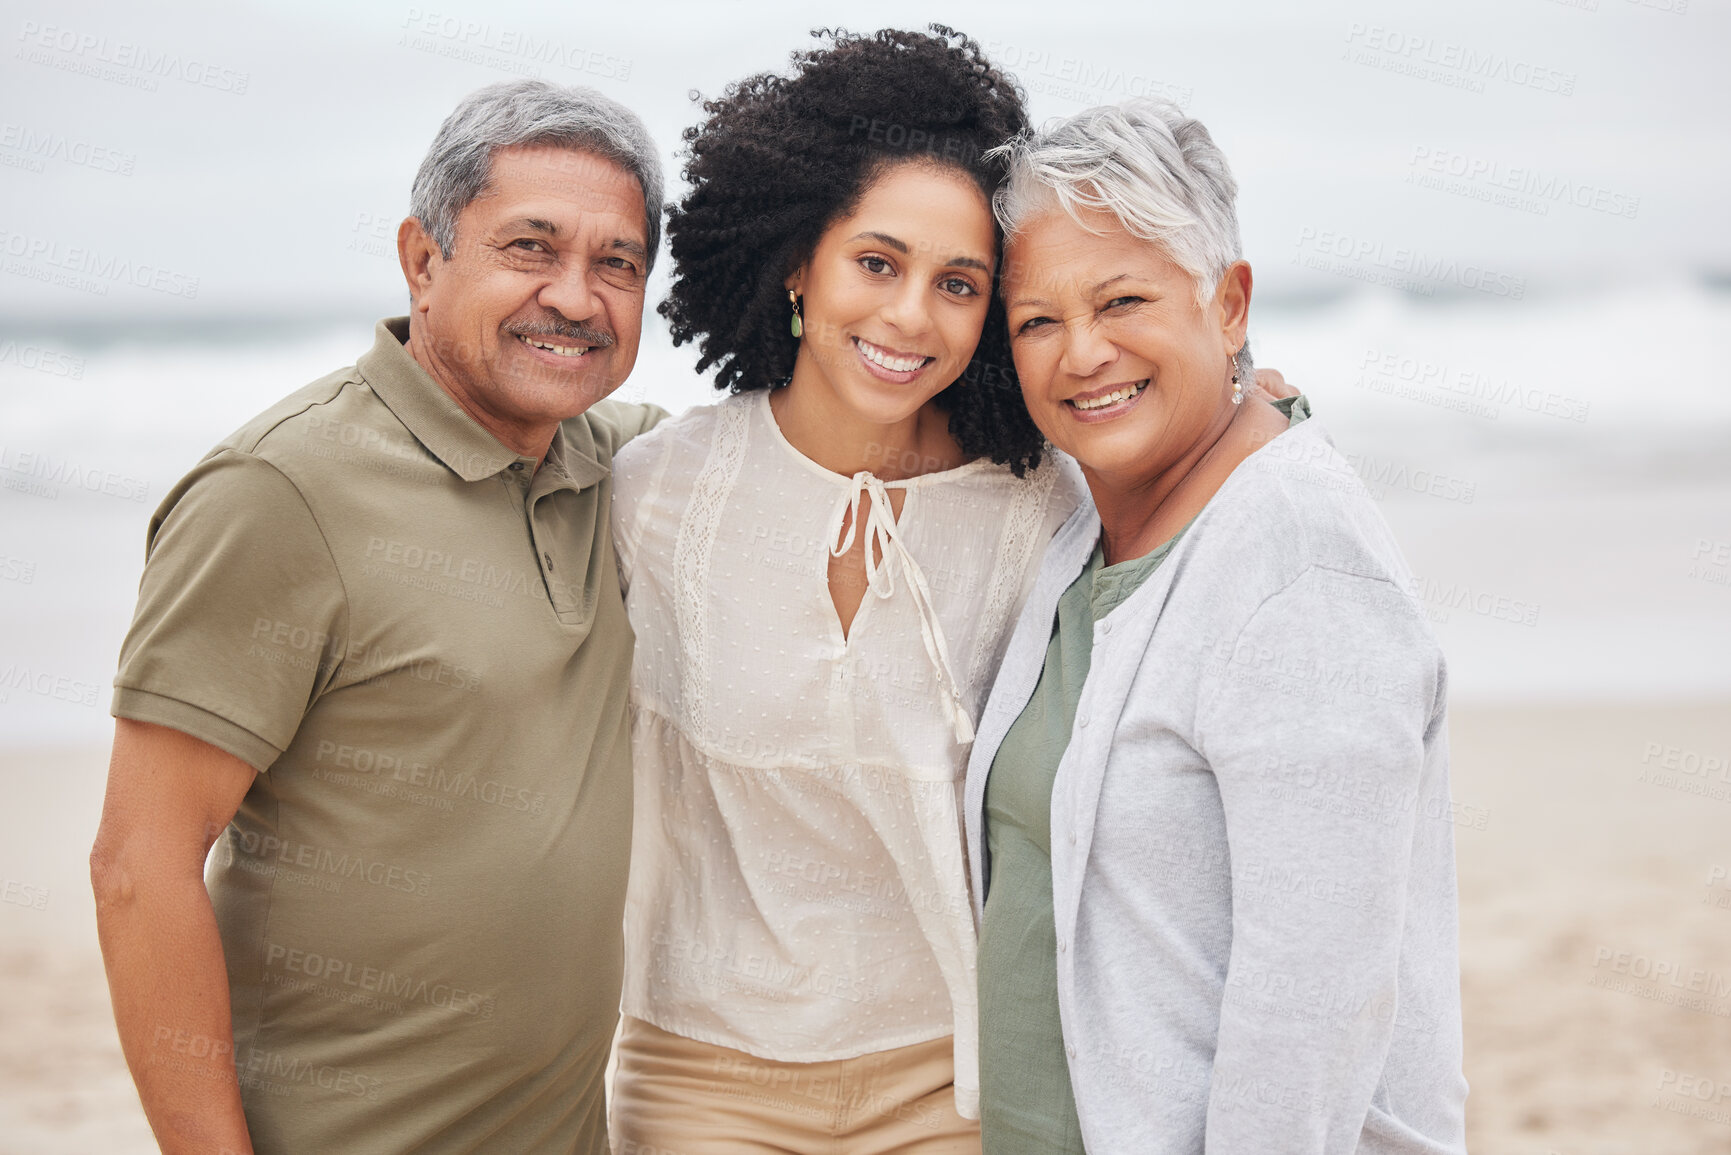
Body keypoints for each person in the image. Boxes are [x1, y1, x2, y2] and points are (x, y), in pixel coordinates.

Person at [89, 79, 665, 1154]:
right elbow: (140, 866)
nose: (576, 298)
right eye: (530, 247)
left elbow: (816, 436)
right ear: (422, 259)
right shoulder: (279, 490)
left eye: (617, 264)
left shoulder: (633, 472)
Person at [604, 27, 1082, 1153]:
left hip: (950, 1082)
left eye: (957, 284)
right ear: (797, 264)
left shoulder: (1041, 511)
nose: (911, 316)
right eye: (877, 262)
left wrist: (1260, 407)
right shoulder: (655, 494)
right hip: (698, 1074)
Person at [964, 101, 1468, 1153]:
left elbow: (1311, 1013)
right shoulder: (1084, 529)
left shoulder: (1300, 569)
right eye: (1038, 321)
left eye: (1123, 300)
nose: (1082, 353)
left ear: (1228, 304)